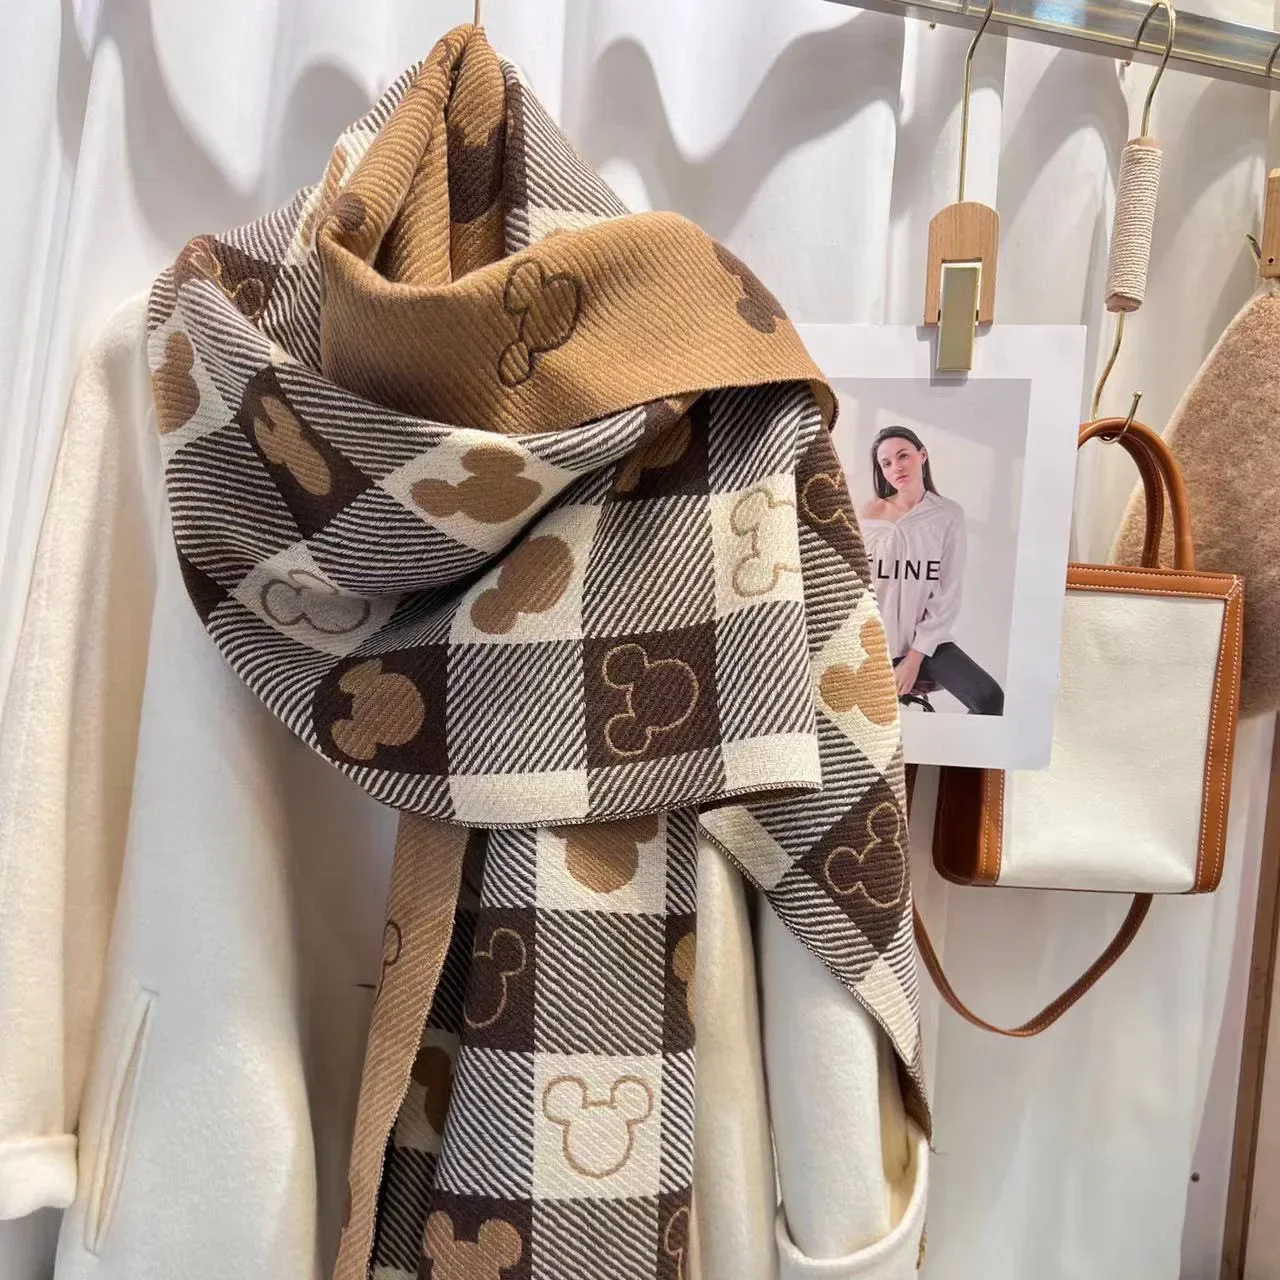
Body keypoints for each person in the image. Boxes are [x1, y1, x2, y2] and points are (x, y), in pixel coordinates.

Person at [859, 425, 1004, 715]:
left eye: (903, 456)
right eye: (886, 463)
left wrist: (913, 659)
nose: (896, 467)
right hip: (872, 640)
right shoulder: (867, 515)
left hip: (927, 644)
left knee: (989, 698)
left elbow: (947, 594)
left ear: (922, 455)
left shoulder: (947, 515)